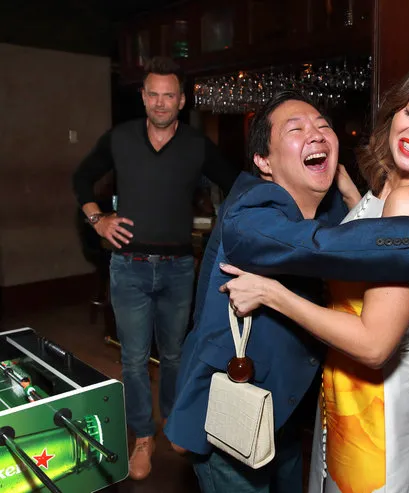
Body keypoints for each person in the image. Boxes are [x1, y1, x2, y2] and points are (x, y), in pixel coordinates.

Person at [165, 88, 409, 493]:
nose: (316, 134)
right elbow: (327, 246)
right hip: (233, 416)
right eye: (296, 129)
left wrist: (351, 197)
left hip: (290, 415)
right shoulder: (248, 213)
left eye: (324, 126)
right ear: (263, 161)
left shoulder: (332, 206)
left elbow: (358, 235)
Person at [71, 56, 239, 480]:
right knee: (131, 360)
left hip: (179, 268)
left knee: (176, 356)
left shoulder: (197, 146)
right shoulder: (120, 138)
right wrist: (98, 220)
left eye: (169, 95)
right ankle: (143, 438)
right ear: (143, 97)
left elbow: (237, 184)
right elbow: (81, 178)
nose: (161, 103)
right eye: (153, 94)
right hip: (128, 266)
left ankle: (175, 425)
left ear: (181, 101)